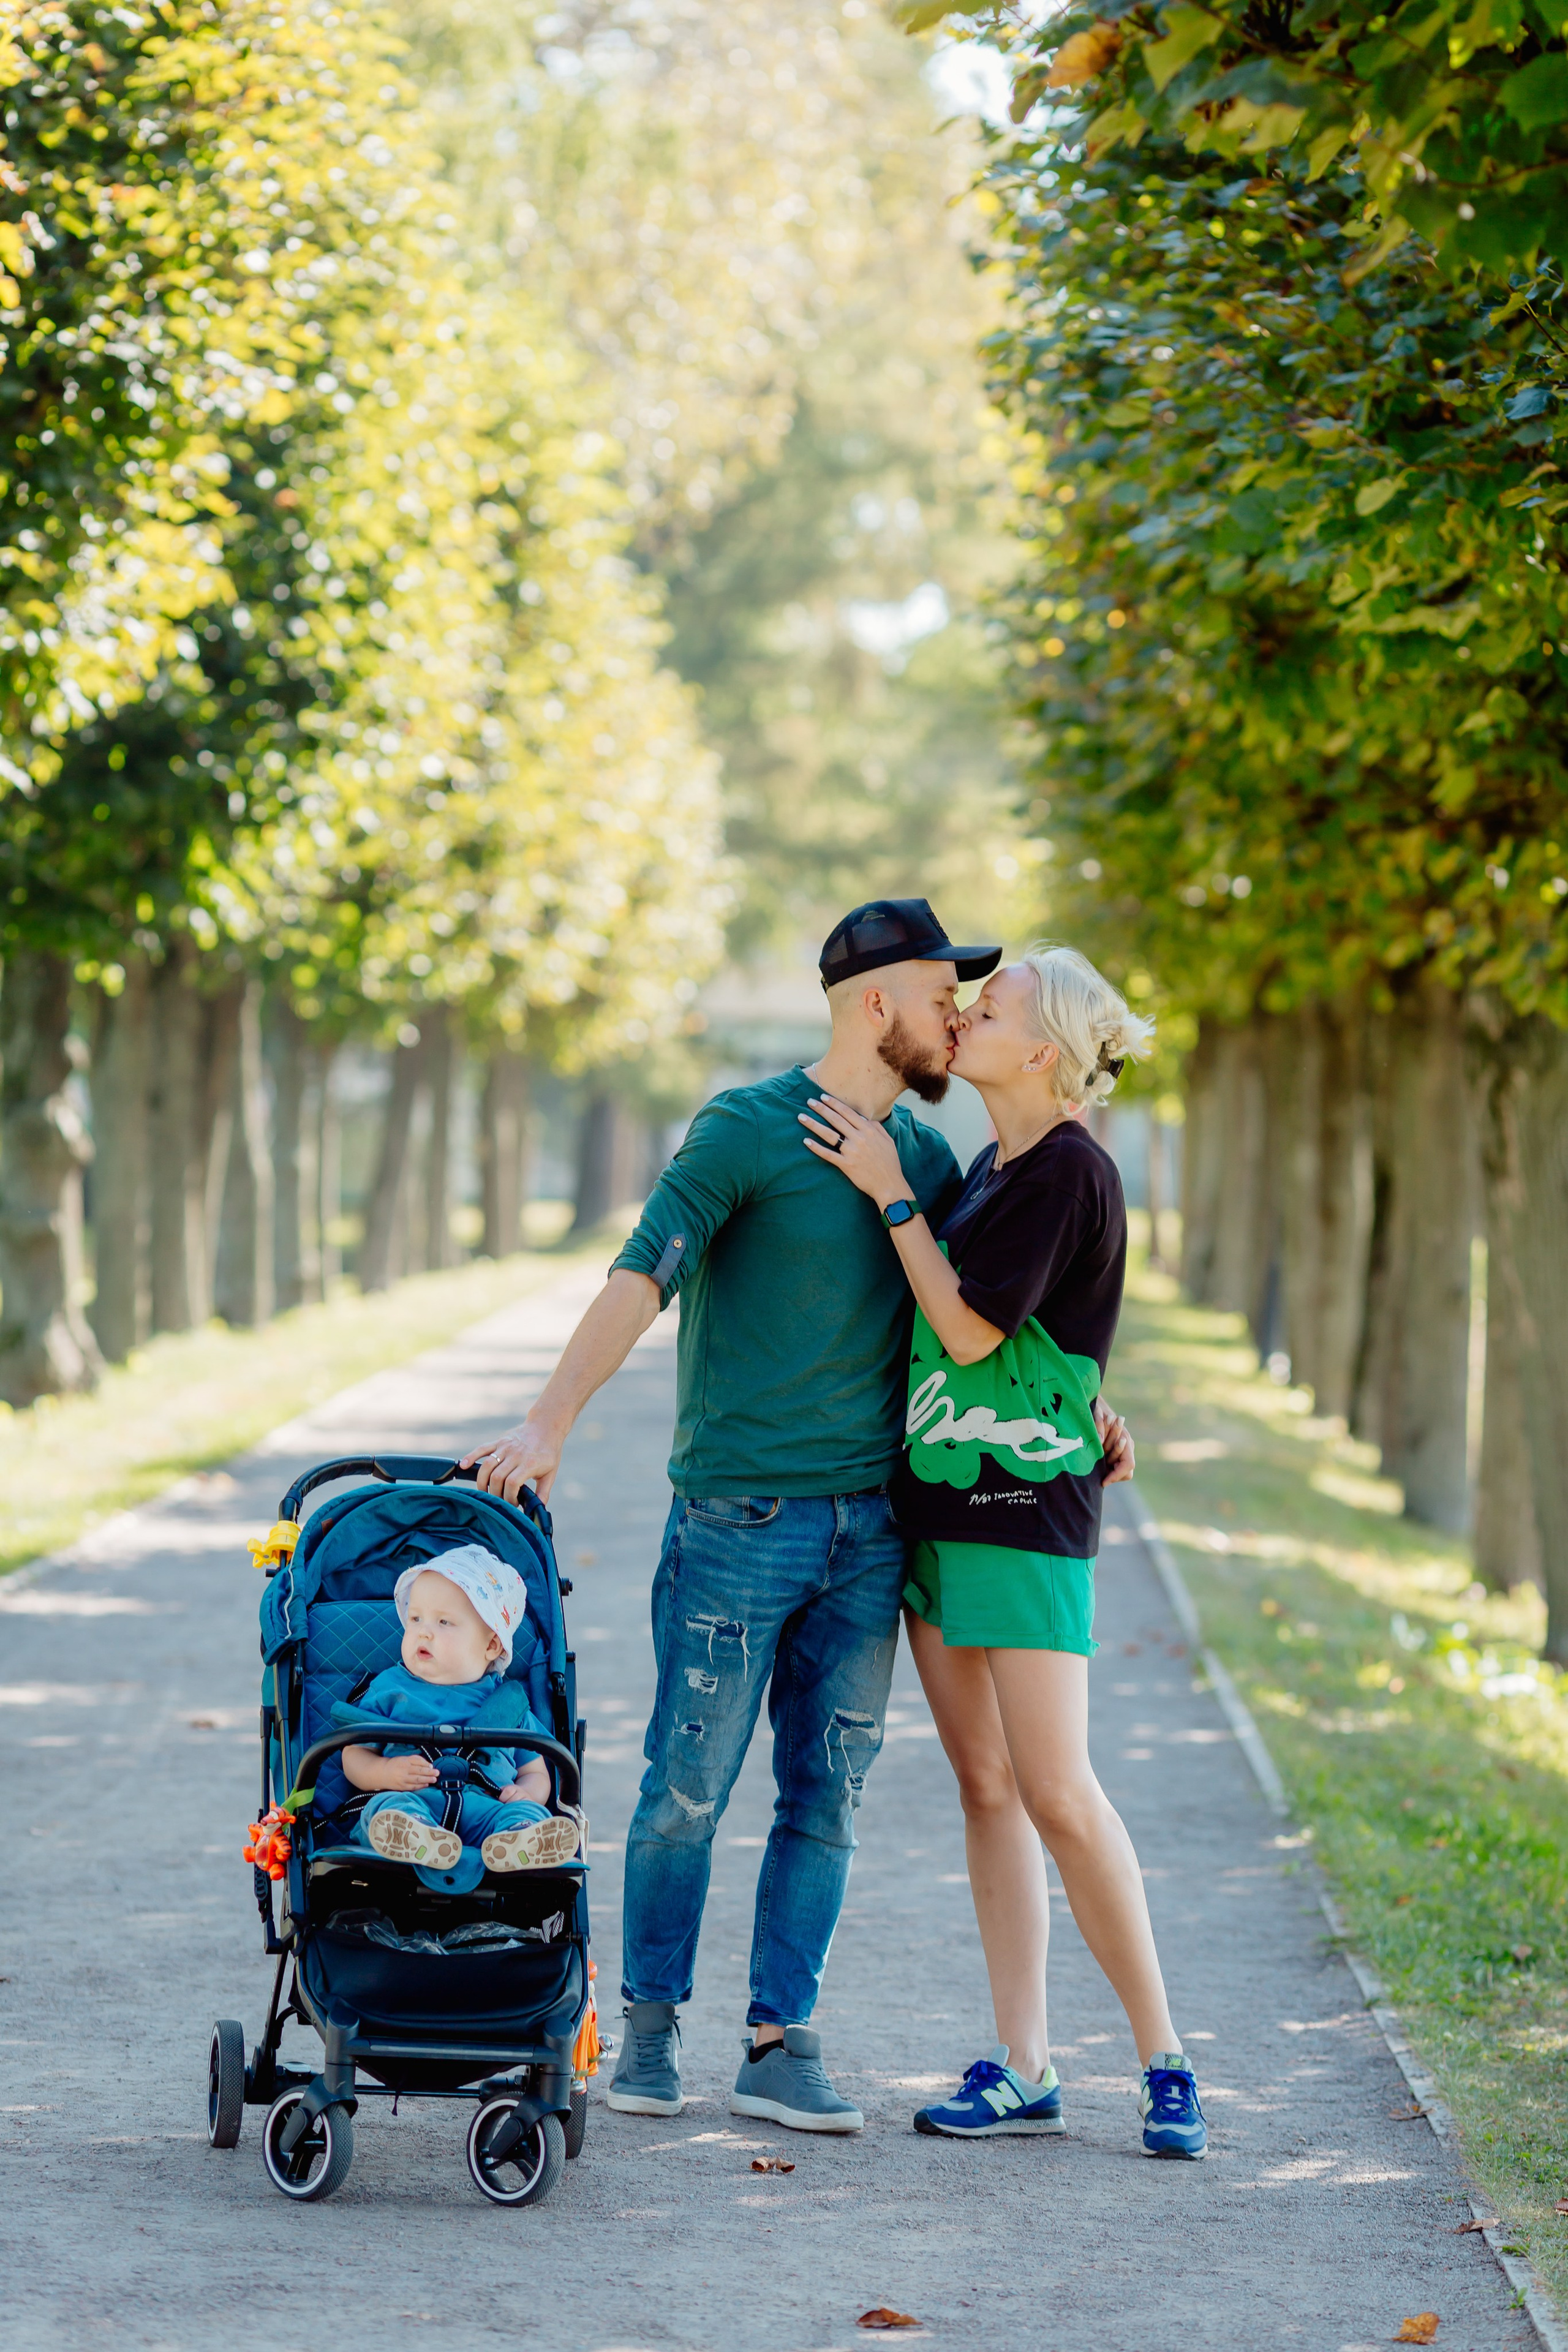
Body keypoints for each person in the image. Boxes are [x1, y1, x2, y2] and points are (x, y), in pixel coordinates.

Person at [464, 899, 1129, 2132]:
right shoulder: (745, 1129)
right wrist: (547, 1422)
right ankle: (649, 2031)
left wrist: (1090, 1408)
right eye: (940, 995)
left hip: (874, 1533)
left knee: (827, 1797)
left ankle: (779, 2042)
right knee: (686, 1788)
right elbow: (643, 1273)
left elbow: (993, 1318)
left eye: (971, 1002)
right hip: (737, 1523)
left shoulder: (927, 1162)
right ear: (876, 1003)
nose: (956, 1016)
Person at [799, 942, 1207, 2160]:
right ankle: (1025, 2067)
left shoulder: (1071, 1166)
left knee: (1058, 1794)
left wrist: (890, 1192)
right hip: (940, 1505)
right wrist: (1092, 1402)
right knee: (986, 1790)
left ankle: (1166, 2060)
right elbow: (1041, 1339)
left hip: (1025, 1519)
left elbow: (974, 1333)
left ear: (1042, 1051)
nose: (969, 1012)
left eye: (996, 1004)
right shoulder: (996, 1162)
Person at [344, 1546, 581, 1877]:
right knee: (384, 1808)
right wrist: (384, 1772)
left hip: (489, 1811)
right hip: (415, 1801)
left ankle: (520, 1838)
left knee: (528, 1814)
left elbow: (537, 1771)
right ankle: (414, 1835)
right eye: (416, 1618)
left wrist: (528, 1793)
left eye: (444, 1622)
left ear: (491, 1645)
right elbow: (354, 1753)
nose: (424, 1631)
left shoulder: (508, 1705)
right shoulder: (389, 1689)